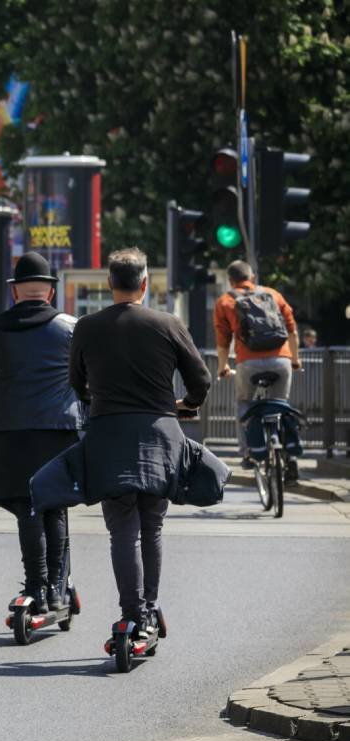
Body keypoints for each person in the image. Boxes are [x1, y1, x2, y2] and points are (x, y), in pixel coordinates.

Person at [69, 248, 211, 635]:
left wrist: (94, 401)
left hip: (108, 437)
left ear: (110, 284)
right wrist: (186, 405)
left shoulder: (87, 326)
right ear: (145, 284)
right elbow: (201, 380)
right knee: (152, 525)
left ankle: (131, 613)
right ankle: (148, 609)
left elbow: (75, 382)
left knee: (122, 530)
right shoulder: (168, 324)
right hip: (159, 437)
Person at [0, 251, 82, 613]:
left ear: (15, 292)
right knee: (54, 507)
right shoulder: (70, 328)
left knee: (27, 509)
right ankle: (56, 589)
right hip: (58, 431)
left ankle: (35, 587)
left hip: (12, 432)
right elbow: (83, 380)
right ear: (50, 293)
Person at [213, 260, 301, 467]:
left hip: (248, 363)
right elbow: (292, 330)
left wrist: (223, 366)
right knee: (281, 404)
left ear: (230, 281)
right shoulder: (273, 294)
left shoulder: (225, 301)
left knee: (245, 404)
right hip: (281, 360)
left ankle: (248, 454)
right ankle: (291, 457)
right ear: (252, 277)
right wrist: (295, 360)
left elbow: (223, 342)